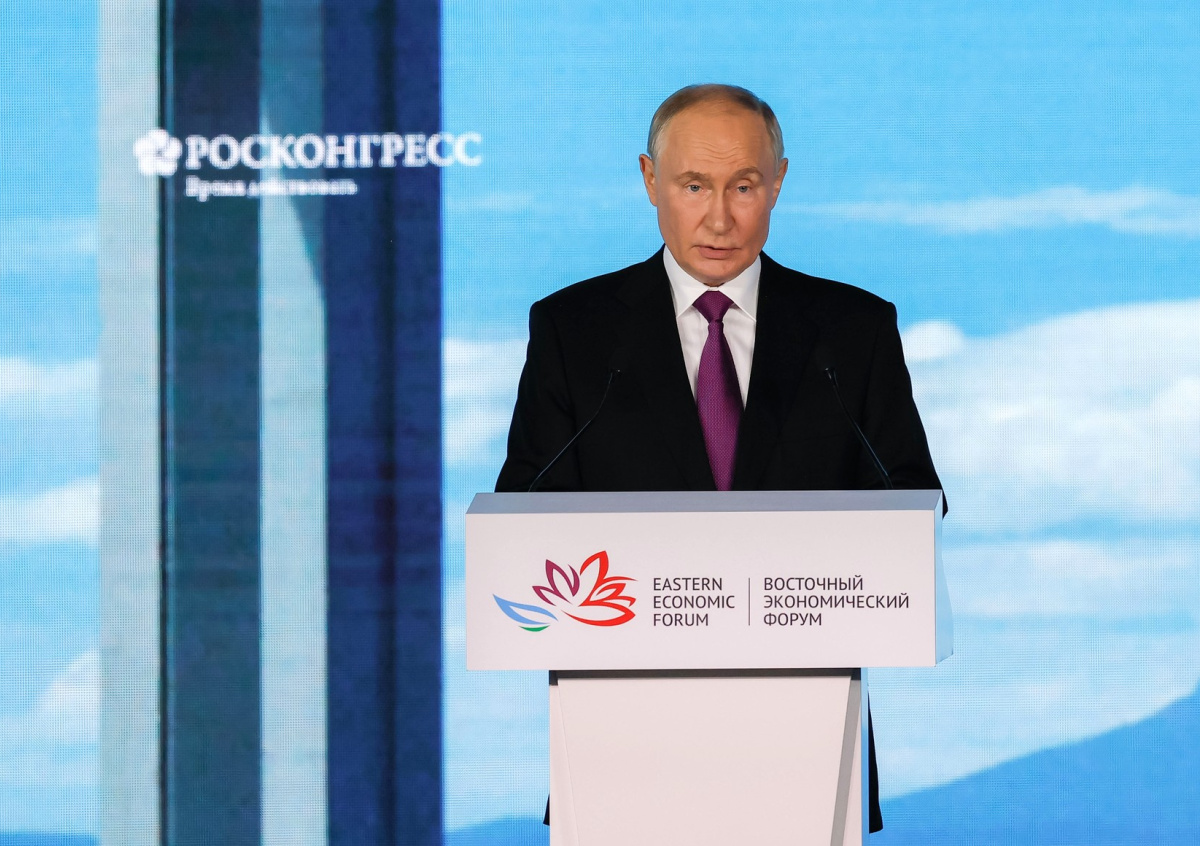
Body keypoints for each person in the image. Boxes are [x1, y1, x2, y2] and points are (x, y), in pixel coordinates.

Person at [496, 83, 944, 834]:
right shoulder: (574, 330)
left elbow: (912, 497)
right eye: (693, 185)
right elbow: (526, 511)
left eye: (744, 186)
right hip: (620, 738)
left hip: (806, 742)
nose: (719, 218)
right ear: (650, 181)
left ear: (779, 183)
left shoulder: (851, 329)